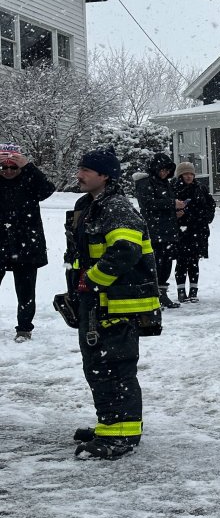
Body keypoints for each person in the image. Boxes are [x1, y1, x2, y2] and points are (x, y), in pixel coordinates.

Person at [66, 147, 161, 460]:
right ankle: (109, 425)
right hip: (97, 302)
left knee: (114, 368)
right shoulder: (90, 205)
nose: (79, 174)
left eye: (86, 170)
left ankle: (122, 436)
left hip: (116, 305)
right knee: (98, 366)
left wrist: (91, 280)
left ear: (104, 176)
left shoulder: (115, 207)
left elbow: (125, 251)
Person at [0, 145, 55, 342]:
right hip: (1, 242)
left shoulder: (30, 181)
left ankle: (24, 328)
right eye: (3, 167)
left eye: (13, 167)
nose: (8, 171)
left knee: (26, 290)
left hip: (27, 243)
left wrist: (28, 166)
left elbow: (48, 189)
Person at [133, 153, 183, 308]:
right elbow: (148, 204)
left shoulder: (165, 184)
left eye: (167, 170)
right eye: (162, 169)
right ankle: (153, 294)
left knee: (166, 263)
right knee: (155, 263)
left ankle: (162, 293)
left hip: (167, 230)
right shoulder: (145, 183)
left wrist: (175, 211)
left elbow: (160, 204)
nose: (164, 173)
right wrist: (172, 204)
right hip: (154, 231)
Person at [171, 161, 215, 303]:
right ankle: (181, 291)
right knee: (181, 262)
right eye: (185, 174)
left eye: (191, 173)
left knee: (194, 262)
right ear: (180, 175)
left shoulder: (200, 188)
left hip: (198, 230)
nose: (189, 176)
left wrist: (205, 218)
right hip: (181, 232)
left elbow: (210, 205)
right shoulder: (172, 189)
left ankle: (194, 291)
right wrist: (177, 214)